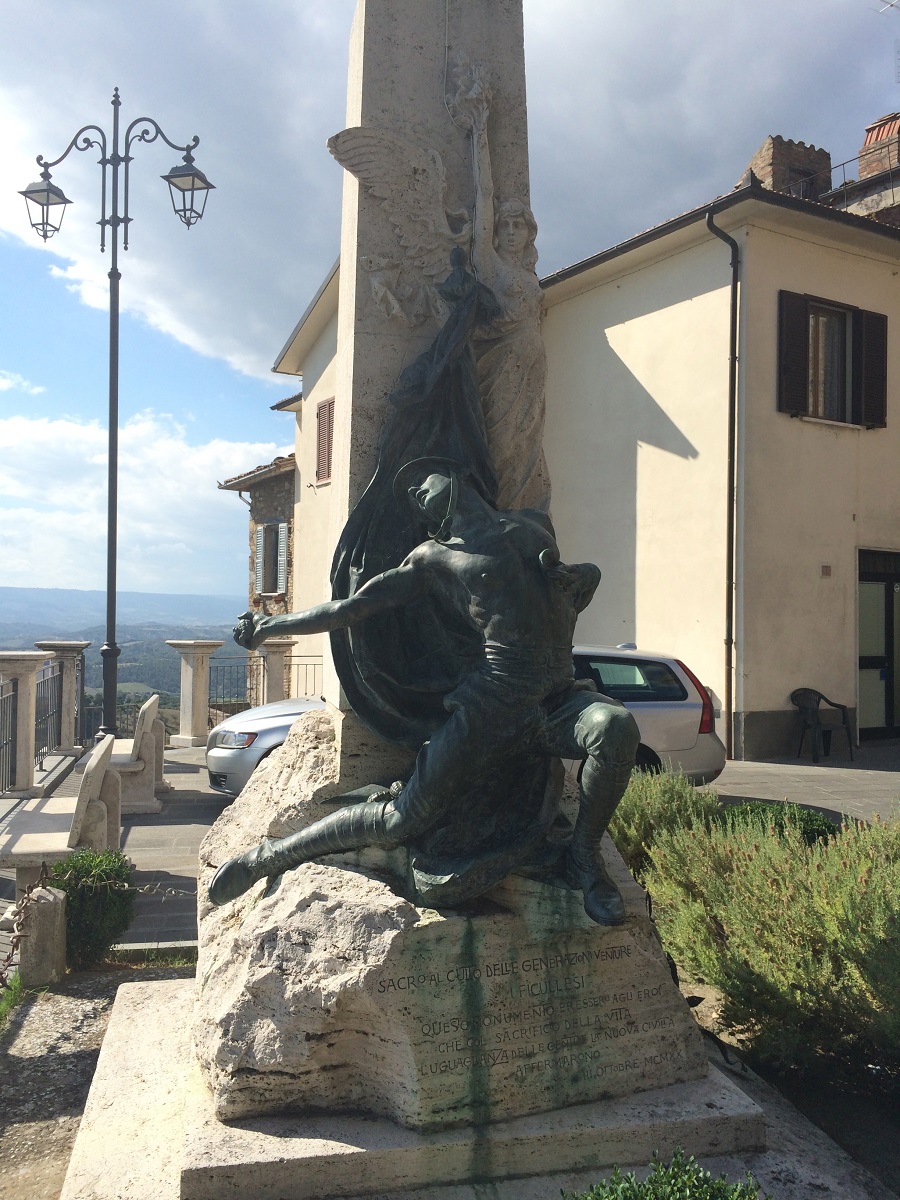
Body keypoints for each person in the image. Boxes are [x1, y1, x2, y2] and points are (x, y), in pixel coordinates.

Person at [209, 458, 639, 925]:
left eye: (421, 482)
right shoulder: (432, 557)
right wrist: (271, 624)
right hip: (491, 706)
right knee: (401, 820)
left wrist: (588, 575)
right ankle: (271, 855)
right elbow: (352, 608)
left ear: (457, 476)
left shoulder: (534, 524)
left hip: (557, 698)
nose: (414, 493)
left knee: (614, 727)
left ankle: (584, 859)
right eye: (409, 490)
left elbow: (562, 593)